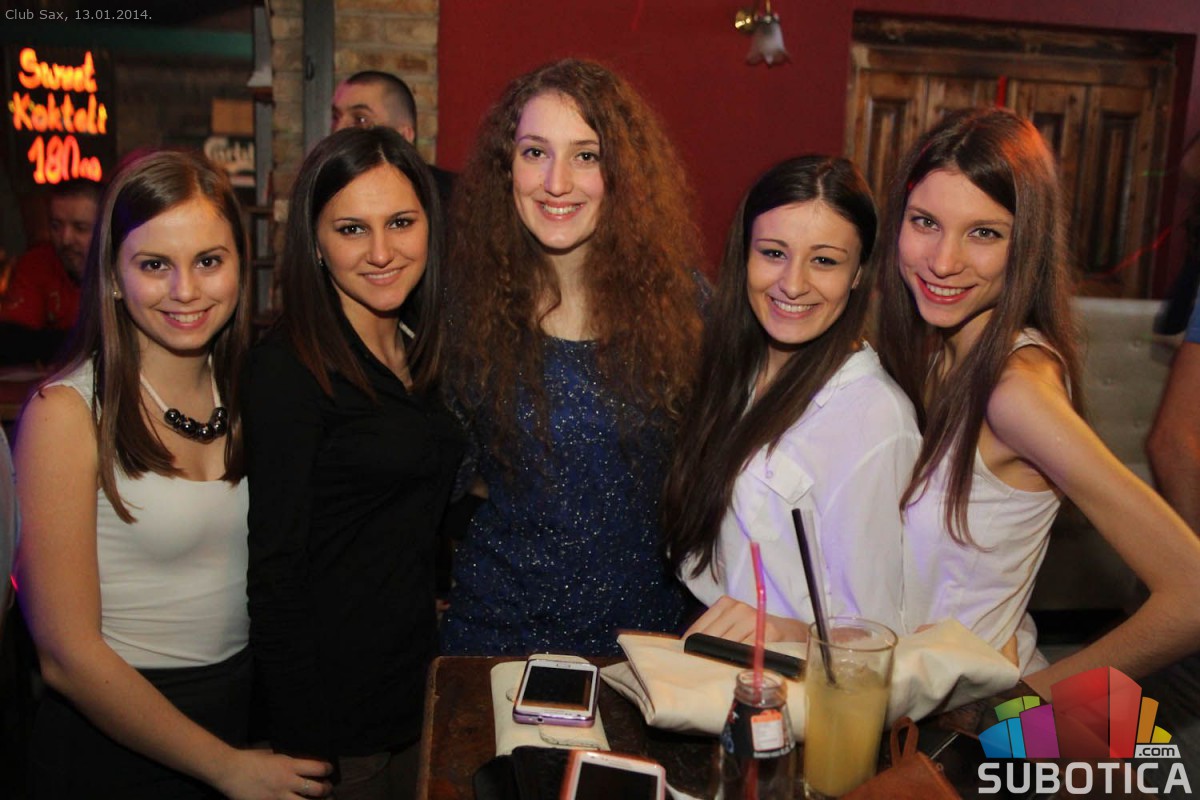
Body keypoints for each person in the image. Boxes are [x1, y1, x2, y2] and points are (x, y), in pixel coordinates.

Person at [13, 150, 331, 799]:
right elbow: (65, 655)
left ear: (241, 265)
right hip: (112, 744)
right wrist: (224, 766)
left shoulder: (254, 391)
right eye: (155, 265)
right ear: (113, 276)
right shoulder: (65, 414)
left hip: (238, 717)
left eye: (209, 261)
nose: (185, 290)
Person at [875, 107, 1200, 698]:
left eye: (984, 233)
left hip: (975, 720)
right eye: (925, 222)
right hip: (917, 701)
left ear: (1027, 243)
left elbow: (1192, 595)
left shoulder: (1014, 391)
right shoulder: (941, 349)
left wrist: (1023, 707)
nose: (943, 261)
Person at [438, 59, 706, 656]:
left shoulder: (685, 309)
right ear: (506, 166)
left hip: (643, 646)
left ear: (623, 173)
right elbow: (439, 474)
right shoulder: (467, 310)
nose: (556, 182)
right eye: (535, 152)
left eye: (586, 155)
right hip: (496, 638)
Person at [243, 126, 464, 799]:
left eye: (401, 222)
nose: (381, 252)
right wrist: (307, 746)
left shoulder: (420, 349)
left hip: (416, 692)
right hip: (339, 726)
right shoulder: (288, 369)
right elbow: (275, 573)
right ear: (315, 242)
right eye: (351, 230)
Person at [662, 156, 920, 643]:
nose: (793, 284)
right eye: (774, 253)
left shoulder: (875, 419)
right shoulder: (735, 365)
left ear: (859, 272)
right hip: (698, 649)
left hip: (782, 677)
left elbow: (880, 636)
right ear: (745, 253)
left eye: (824, 261)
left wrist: (785, 630)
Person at [330, 70, 455, 212]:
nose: (339, 129)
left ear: (404, 135)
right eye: (335, 117)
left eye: (361, 120)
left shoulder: (452, 201)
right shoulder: (324, 190)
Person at [0, 179, 100, 331]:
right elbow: (14, 335)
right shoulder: (37, 263)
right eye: (56, 226)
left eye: (80, 228)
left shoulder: (125, 266)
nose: (65, 239)